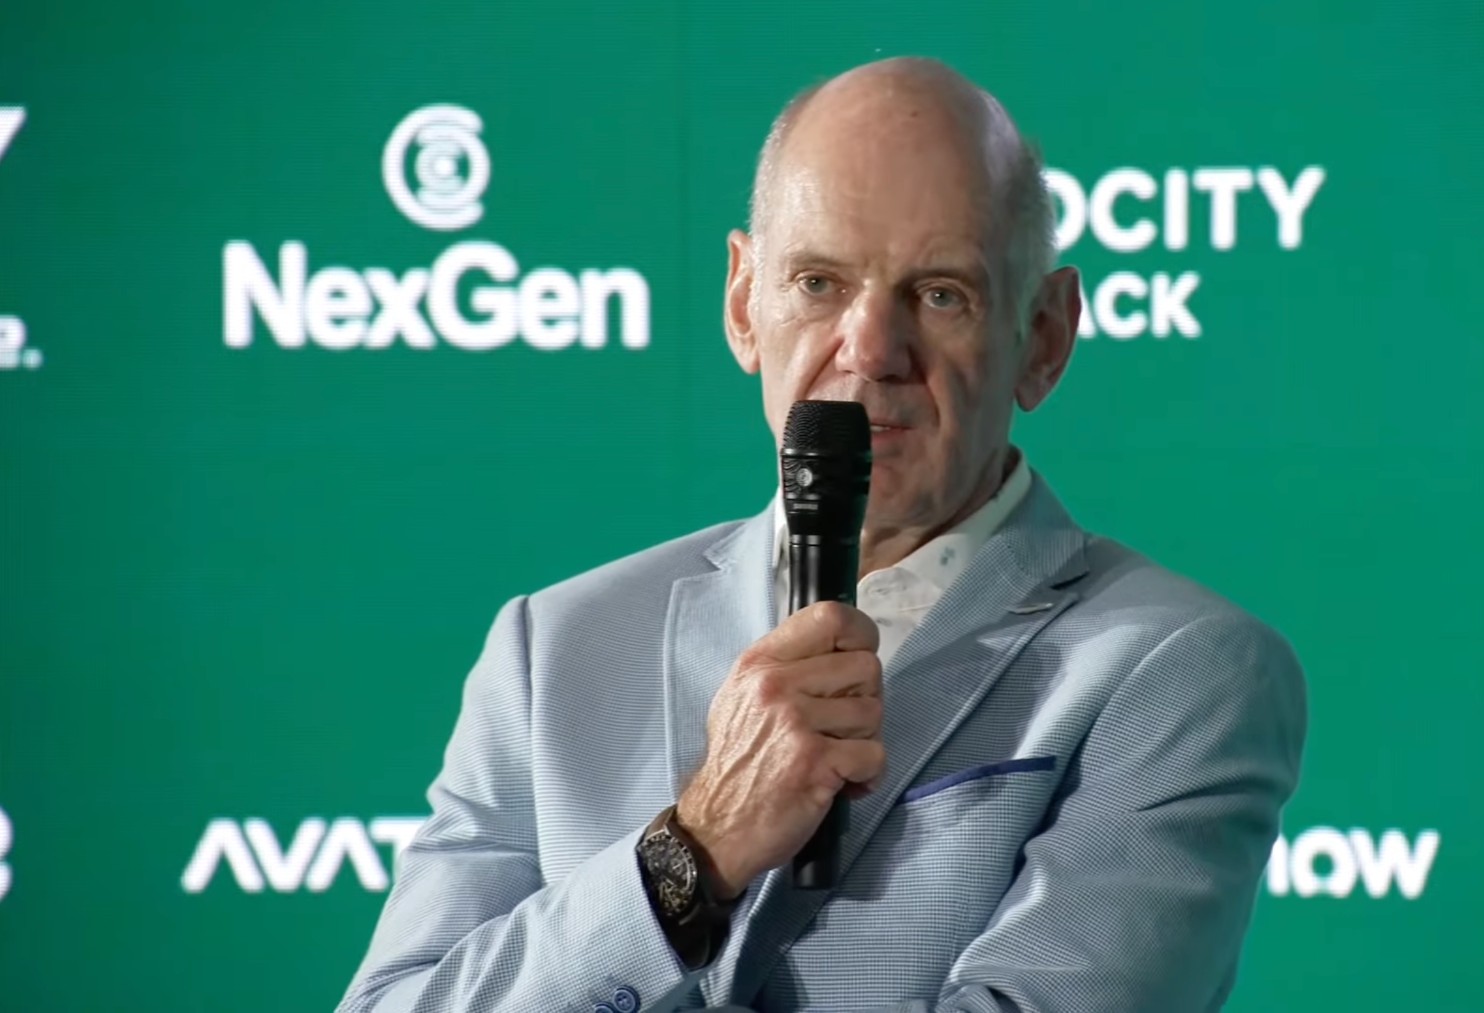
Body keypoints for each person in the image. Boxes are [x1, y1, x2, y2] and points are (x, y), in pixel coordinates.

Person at [337, 56, 1307, 1013]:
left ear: (1044, 337)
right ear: (741, 303)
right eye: (817, 282)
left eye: (940, 293)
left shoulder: (1182, 670)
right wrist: (694, 850)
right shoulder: (550, 651)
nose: (872, 349)